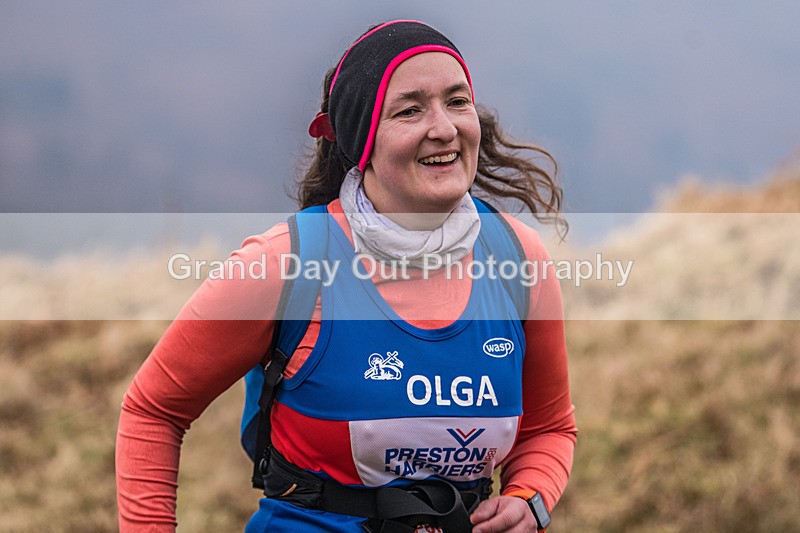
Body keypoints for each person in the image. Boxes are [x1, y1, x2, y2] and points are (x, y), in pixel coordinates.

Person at [116, 20, 576, 532]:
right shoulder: (284, 265)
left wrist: (528, 498)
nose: (445, 128)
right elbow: (154, 411)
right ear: (362, 140)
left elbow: (549, 428)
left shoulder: (519, 261)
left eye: (457, 101)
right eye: (409, 110)